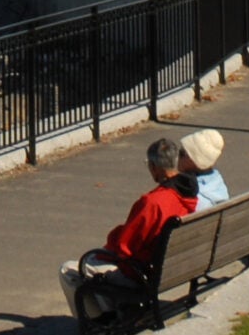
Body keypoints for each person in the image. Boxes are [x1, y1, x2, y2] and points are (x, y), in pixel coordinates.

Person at [57, 137, 196, 331]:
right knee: (98, 267)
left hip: (143, 274)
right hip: (174, 267)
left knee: (70, 269)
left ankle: (99, 321)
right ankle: (118, 311)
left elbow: (124, 247)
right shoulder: (188, 195)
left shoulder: (153, 202)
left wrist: (112, 238)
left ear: (155, 167)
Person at [178, 129, 229, 208]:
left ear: (194, 160)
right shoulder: (217, 181)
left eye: (181, 153)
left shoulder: (192, 197)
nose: (178, 157)